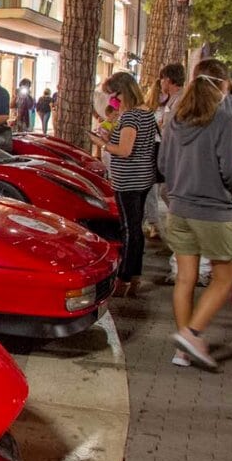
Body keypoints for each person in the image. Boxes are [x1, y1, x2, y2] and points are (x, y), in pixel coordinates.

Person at [158, 59, 232, 370]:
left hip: (179, 207)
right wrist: (230, 194)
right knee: (225, 275)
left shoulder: (176, 118)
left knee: (185, 278)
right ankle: (192, 334)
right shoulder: (224, 118)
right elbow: (231, 169)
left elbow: (163, 164)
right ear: (222, 85)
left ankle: (182, 351)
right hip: (213, 209)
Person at [90, 72, 158, 297]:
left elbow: (125, 150)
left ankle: (125, 277)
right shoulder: (147, 113)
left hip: (129, 179)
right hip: (143, 177)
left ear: (123, 92)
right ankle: (134, 274)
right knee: (135, 227)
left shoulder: (130, 117)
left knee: (130, 229)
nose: (111, 100)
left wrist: (102, 143)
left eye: (113, 94)